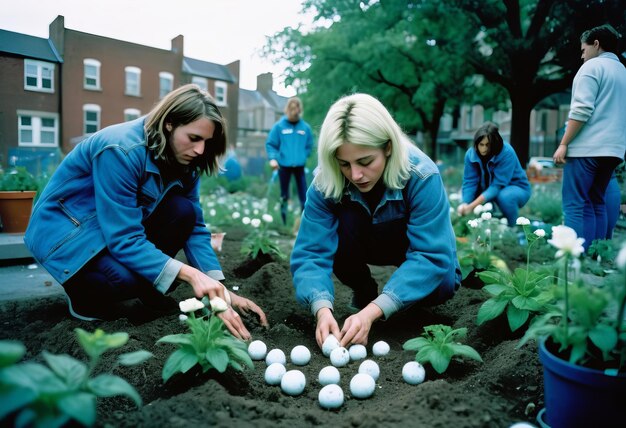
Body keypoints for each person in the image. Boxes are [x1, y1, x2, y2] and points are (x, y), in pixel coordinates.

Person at [24, 84, 267, 339]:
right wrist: (190, 274)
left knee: (183, 211)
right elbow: (124, 238)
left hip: (106, 227)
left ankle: (149, 288)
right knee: (123, 280)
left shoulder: (185, 159)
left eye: (207, 142)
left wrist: (223, 291)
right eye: (194, 138)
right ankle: (85, 299)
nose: (200, 150)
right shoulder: (120, 150)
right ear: (170, 123)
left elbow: (194, 227)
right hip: (68, 234)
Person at [290, 93, 460, 349]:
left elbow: (431, 255)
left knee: (444, 282)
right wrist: (321, 308)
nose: (356, 175)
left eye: (365, 161)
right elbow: (311, 253)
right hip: (360, 242)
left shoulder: (421, 176)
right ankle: (365, 289)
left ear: (388, 147)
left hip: (409, 248)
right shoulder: (325, 183)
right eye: (344, 164)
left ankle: (404, 301)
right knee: (334, 234)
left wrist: (374, 311)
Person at [552, 24, 626, 250]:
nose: (581, 54)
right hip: (613, 150)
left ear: (596, 44)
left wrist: (564, 143)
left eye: (583, 49)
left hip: (586, 149)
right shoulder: (623, 71)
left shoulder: (591, 67)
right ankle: (596, 258)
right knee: (597, 204)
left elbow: (581, 110)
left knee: (575, 206)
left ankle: (575, 263)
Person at [457, 122, 531, 226]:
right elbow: (470, 182)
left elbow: (497, 186)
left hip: (515, 188)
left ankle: (512, 228)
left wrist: (471, 206)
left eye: (488, 145)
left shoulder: (506, 153)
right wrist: (465, 204)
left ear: (494, 143)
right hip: (487, 189)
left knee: (505, 197)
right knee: (470, 198)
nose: (484, 149)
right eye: (481, 145)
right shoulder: (470, 155)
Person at [265, 96, 314, 224]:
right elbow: (271, 144)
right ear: (287, 110)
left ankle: (304, 223)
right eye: (292, 111)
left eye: (297, 111)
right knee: (284, 195)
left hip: (299, 166)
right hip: (283, 166)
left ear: (299, 111)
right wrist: (273, 159)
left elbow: (310, 145)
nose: (294, 114)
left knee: (304, 195)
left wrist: (304, 155)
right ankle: (284, 223)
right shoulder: (279, 127)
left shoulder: (305, 128)